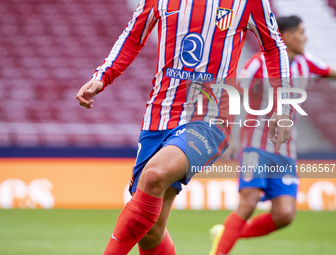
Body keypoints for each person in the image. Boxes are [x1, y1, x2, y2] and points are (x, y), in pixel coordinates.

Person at [76, 0, 293, 254]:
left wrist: (283, 104)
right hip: (159, 117)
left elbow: (275, 47)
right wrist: (102, 77)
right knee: (151, 231)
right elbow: (132, 36)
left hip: (210, 118)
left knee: (154, 175)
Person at [209, 15, 336, 255]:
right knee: (248, 202)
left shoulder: (306, 64)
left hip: (286, 150)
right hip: (255, 145)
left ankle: (225, 232)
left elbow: (331, 71)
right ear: (287, 37)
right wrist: (230, 136)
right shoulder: (258, 64)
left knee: (285, 214)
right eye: (301, 32)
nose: (305, 37)